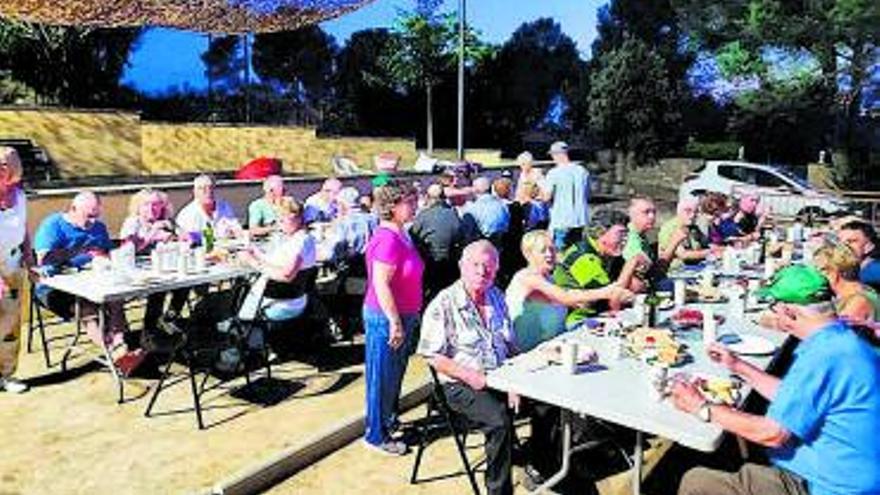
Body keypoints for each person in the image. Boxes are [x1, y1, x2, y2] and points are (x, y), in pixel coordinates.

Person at [672, 265, 880, 495]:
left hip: (826, 485)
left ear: (791, 312)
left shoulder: (824, 355)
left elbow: (772, 434)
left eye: (774, 307)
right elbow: (796, 395)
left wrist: (701, 407)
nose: (772, 313)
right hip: (845, 470)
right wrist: (738, 366)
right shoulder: (838, 339)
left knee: (696, 482)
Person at [418, 240, 518, 495]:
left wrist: (518, 380)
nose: (482, 272)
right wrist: (473, 377)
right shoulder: (444, 303)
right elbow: (432, 355)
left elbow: (510, 345)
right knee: (499, 422)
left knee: (547, 402)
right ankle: (499, 491)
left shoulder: (496, 296)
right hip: (458, 384)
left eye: (489, 266)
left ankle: (543, 465)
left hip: (500, 376)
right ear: (462, 266)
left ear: (496, 270)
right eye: (475, 265)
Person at [33, 191, 144, 374]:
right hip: (53, 287)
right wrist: (77, 250)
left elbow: (107, 254)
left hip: (91, 280)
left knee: (115, 298)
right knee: (88, 309)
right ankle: (115, 353)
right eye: (88, 216)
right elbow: (43, 259)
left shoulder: (98, 227)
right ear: (73, 209)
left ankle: (121, 346)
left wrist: (117, 252)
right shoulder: (54, 224)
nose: (92, 221)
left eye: (95, 215)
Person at [362, 180, 424, 455]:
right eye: (409, 201)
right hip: (386, 318)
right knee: (381, 376)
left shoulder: (402, 233)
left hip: (403, 314)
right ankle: (376, 434)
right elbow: (381, 283)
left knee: (394, 374)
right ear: (393, 206)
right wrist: (395, 322)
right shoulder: (387, 239)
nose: (415, 205)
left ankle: (387, 420)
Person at [506, 230, 633, 352]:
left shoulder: (548, 278)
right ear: (528, 254)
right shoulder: (528, 278)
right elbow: (566, 296)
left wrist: (594, 317)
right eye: (542, 251)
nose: (549, 254)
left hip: (555, 344)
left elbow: (570, 298)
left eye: (552, 249)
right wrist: (606, 292)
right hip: (532, 352)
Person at [554, 209, 646, 325]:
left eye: (626, 234)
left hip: (601, 312)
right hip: (578, 319)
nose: (625, 240)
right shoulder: (584, 258)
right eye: (620, 234)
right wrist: (632, 263)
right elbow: (611, 299)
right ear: (601, 233)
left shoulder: (609, 252)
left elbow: (634, 284)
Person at [237, 198, 317, 322]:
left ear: (298, 218)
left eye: (284, 219)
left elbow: (287, 275)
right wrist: (256, 252)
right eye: (278, 219)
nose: (280, 224)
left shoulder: (299, 242)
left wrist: (252, 262)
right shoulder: (303, 238)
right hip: (296, 300)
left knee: (235, 297)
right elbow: (276, 261)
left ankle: (241, 329)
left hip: (282, 303)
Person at [119, 189, 179, 342]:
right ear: (138, 207)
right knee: (159, 289)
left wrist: (175, 233)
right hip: (136, 273)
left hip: (162, 269)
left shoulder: (164, 221)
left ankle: (169, 318)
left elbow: (183, 240)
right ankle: (150, 332)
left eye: (156, 205)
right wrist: (153, 233)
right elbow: (129, 248)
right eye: (146, 205)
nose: (151, 209)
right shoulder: (132, 223)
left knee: (184, 283)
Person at [0, 147, 31, 393]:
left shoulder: (20, 196)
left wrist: (29, 260)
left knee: (10, 325)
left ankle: (6, 375)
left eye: (6, 166)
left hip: (12, 266)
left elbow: (24, 230)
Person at [411, 183, 465, 301]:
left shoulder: (423, 215)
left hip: (428, 263)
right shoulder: (453, 214)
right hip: (450, 264)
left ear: (428, 198)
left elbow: (413, 237)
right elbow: (460, 237)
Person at [541, 141, 590, 250]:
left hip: (562, 219)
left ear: (558, 154)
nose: (552, 158)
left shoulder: (554, 173)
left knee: (559, 253)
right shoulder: (583, 171)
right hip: (580, 219)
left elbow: (546, 197)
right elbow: (587, 195)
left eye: (553, 155)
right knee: (576, 253)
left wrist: (540, 185)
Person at [813, 243, 880, 322]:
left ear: (835, 271)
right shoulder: (859, 291)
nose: (815, 274)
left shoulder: (857, 302)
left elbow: (838, 331)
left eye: (819, 270)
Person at [176, 174, 240, 241]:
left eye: (210, 187)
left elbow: (236, 229)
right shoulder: (187, 214)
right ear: (195, 192)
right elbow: (189, 237)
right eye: (202, 189)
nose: (208, 192)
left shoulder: (224, 206)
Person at [657, 197, 713, 270]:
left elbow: (706, 244)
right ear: (678, 211)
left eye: (695, 212)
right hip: (676, 271)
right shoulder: (669, 228)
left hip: (696, 267)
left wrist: (722, 249)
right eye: (688, 211)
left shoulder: (693, 227)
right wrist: (711, 253)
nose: (692, 215)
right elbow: (683, 254)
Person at [333, 186, 377, 264]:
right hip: (372, 259)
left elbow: (339, 245)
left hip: (352, 263)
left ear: (343, 204)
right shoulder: (373, 218)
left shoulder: (345, 222)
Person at [461, 176, 510, 242]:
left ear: (475, 190)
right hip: (502, 246)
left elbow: (468, 235)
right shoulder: (503, 206)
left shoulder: (472, 209)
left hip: (483, 247)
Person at [836, 220, 880, 291]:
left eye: (851, 241)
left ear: (868, 246)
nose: (843, 246)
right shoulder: (844, 268)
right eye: (840, 241)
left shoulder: (875, 269)